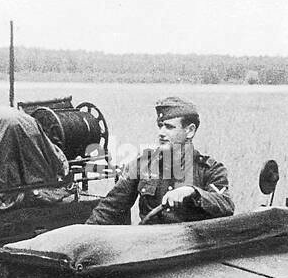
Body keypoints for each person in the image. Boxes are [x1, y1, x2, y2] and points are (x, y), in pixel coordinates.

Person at [85, 96, 233, 225]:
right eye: (160, 126)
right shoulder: (142, 165)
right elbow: (109, 209)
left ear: (190, 131)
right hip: (150, 247)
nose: (161, 133)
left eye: (169, 127)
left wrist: (192, 192)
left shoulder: (210, 169)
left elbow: (226, 205)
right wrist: (80, 238)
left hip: (190, 249)